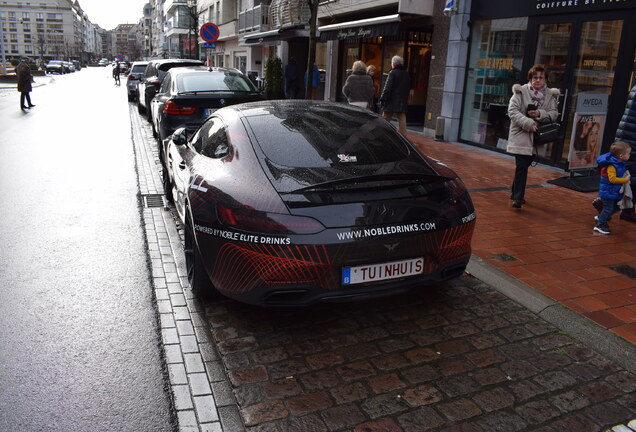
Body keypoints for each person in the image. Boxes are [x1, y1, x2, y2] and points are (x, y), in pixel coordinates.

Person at [506, 64, 559, 208]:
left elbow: (554, 114)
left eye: (541, 78)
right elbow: (512, 111)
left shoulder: (550, 95)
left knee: (524, 166)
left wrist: (540, 114)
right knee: (522, 166)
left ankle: (514, 191)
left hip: (538, 137)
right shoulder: (520, 92)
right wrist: (529, 123)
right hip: (522, 134)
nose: (538, 80)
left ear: (546, 79)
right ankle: (518, 198)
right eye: (535, 77)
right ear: (530, 78)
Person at [593, 84, 636, 222]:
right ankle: (605, 205)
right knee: (626, 175)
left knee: (629, 175)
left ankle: (626, 210)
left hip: (628, 136)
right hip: (630, 138)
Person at [594, 141, 632, 235]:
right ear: (621, 156)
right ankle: (600, 224)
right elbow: (612, 179)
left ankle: (602, 217)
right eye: (628, 153)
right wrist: (625, 180)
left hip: (613, 191)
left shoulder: (619, 163)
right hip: (608, 192)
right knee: (608, 208)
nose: (629, 155)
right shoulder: (612, 166)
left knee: (618, 206)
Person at [379, 55, 410, 134]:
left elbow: (387, 87)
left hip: (391, 100)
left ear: (393, 63)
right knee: (402, 118)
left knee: (385, 118)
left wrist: (382, 98)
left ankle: (381, 133)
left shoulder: (392, 73)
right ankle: (403, 136)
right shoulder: (406, 73)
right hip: (402, 100)